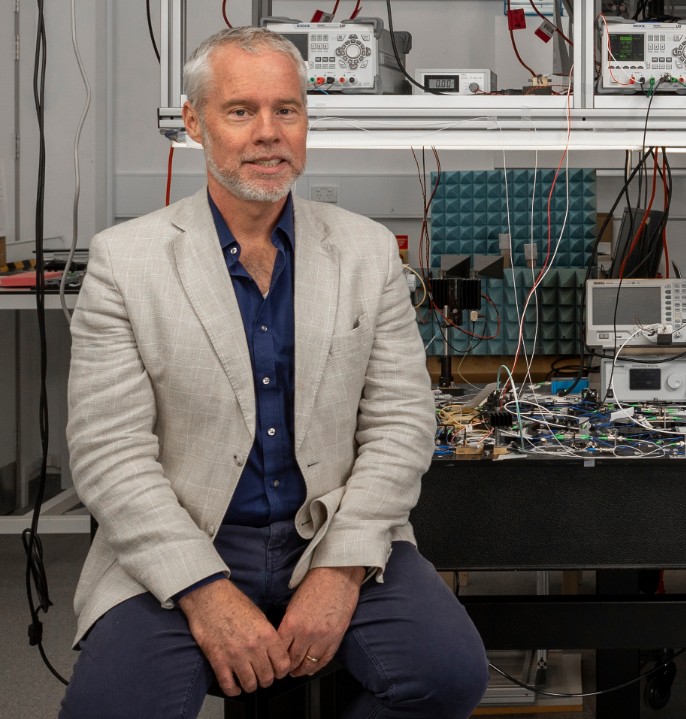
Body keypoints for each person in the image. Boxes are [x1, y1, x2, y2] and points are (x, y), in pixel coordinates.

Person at [60, 27, 488, 719]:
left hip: (330, 530)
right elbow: (110, 455)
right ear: (195, 122)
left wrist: (342, 567)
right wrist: (203, 589)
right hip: (184, 538)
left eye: (286, 110)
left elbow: (402, 424)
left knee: (447, 674)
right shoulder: (125, 262)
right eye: (241, 111)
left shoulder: (366, 252)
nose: (268, 133)